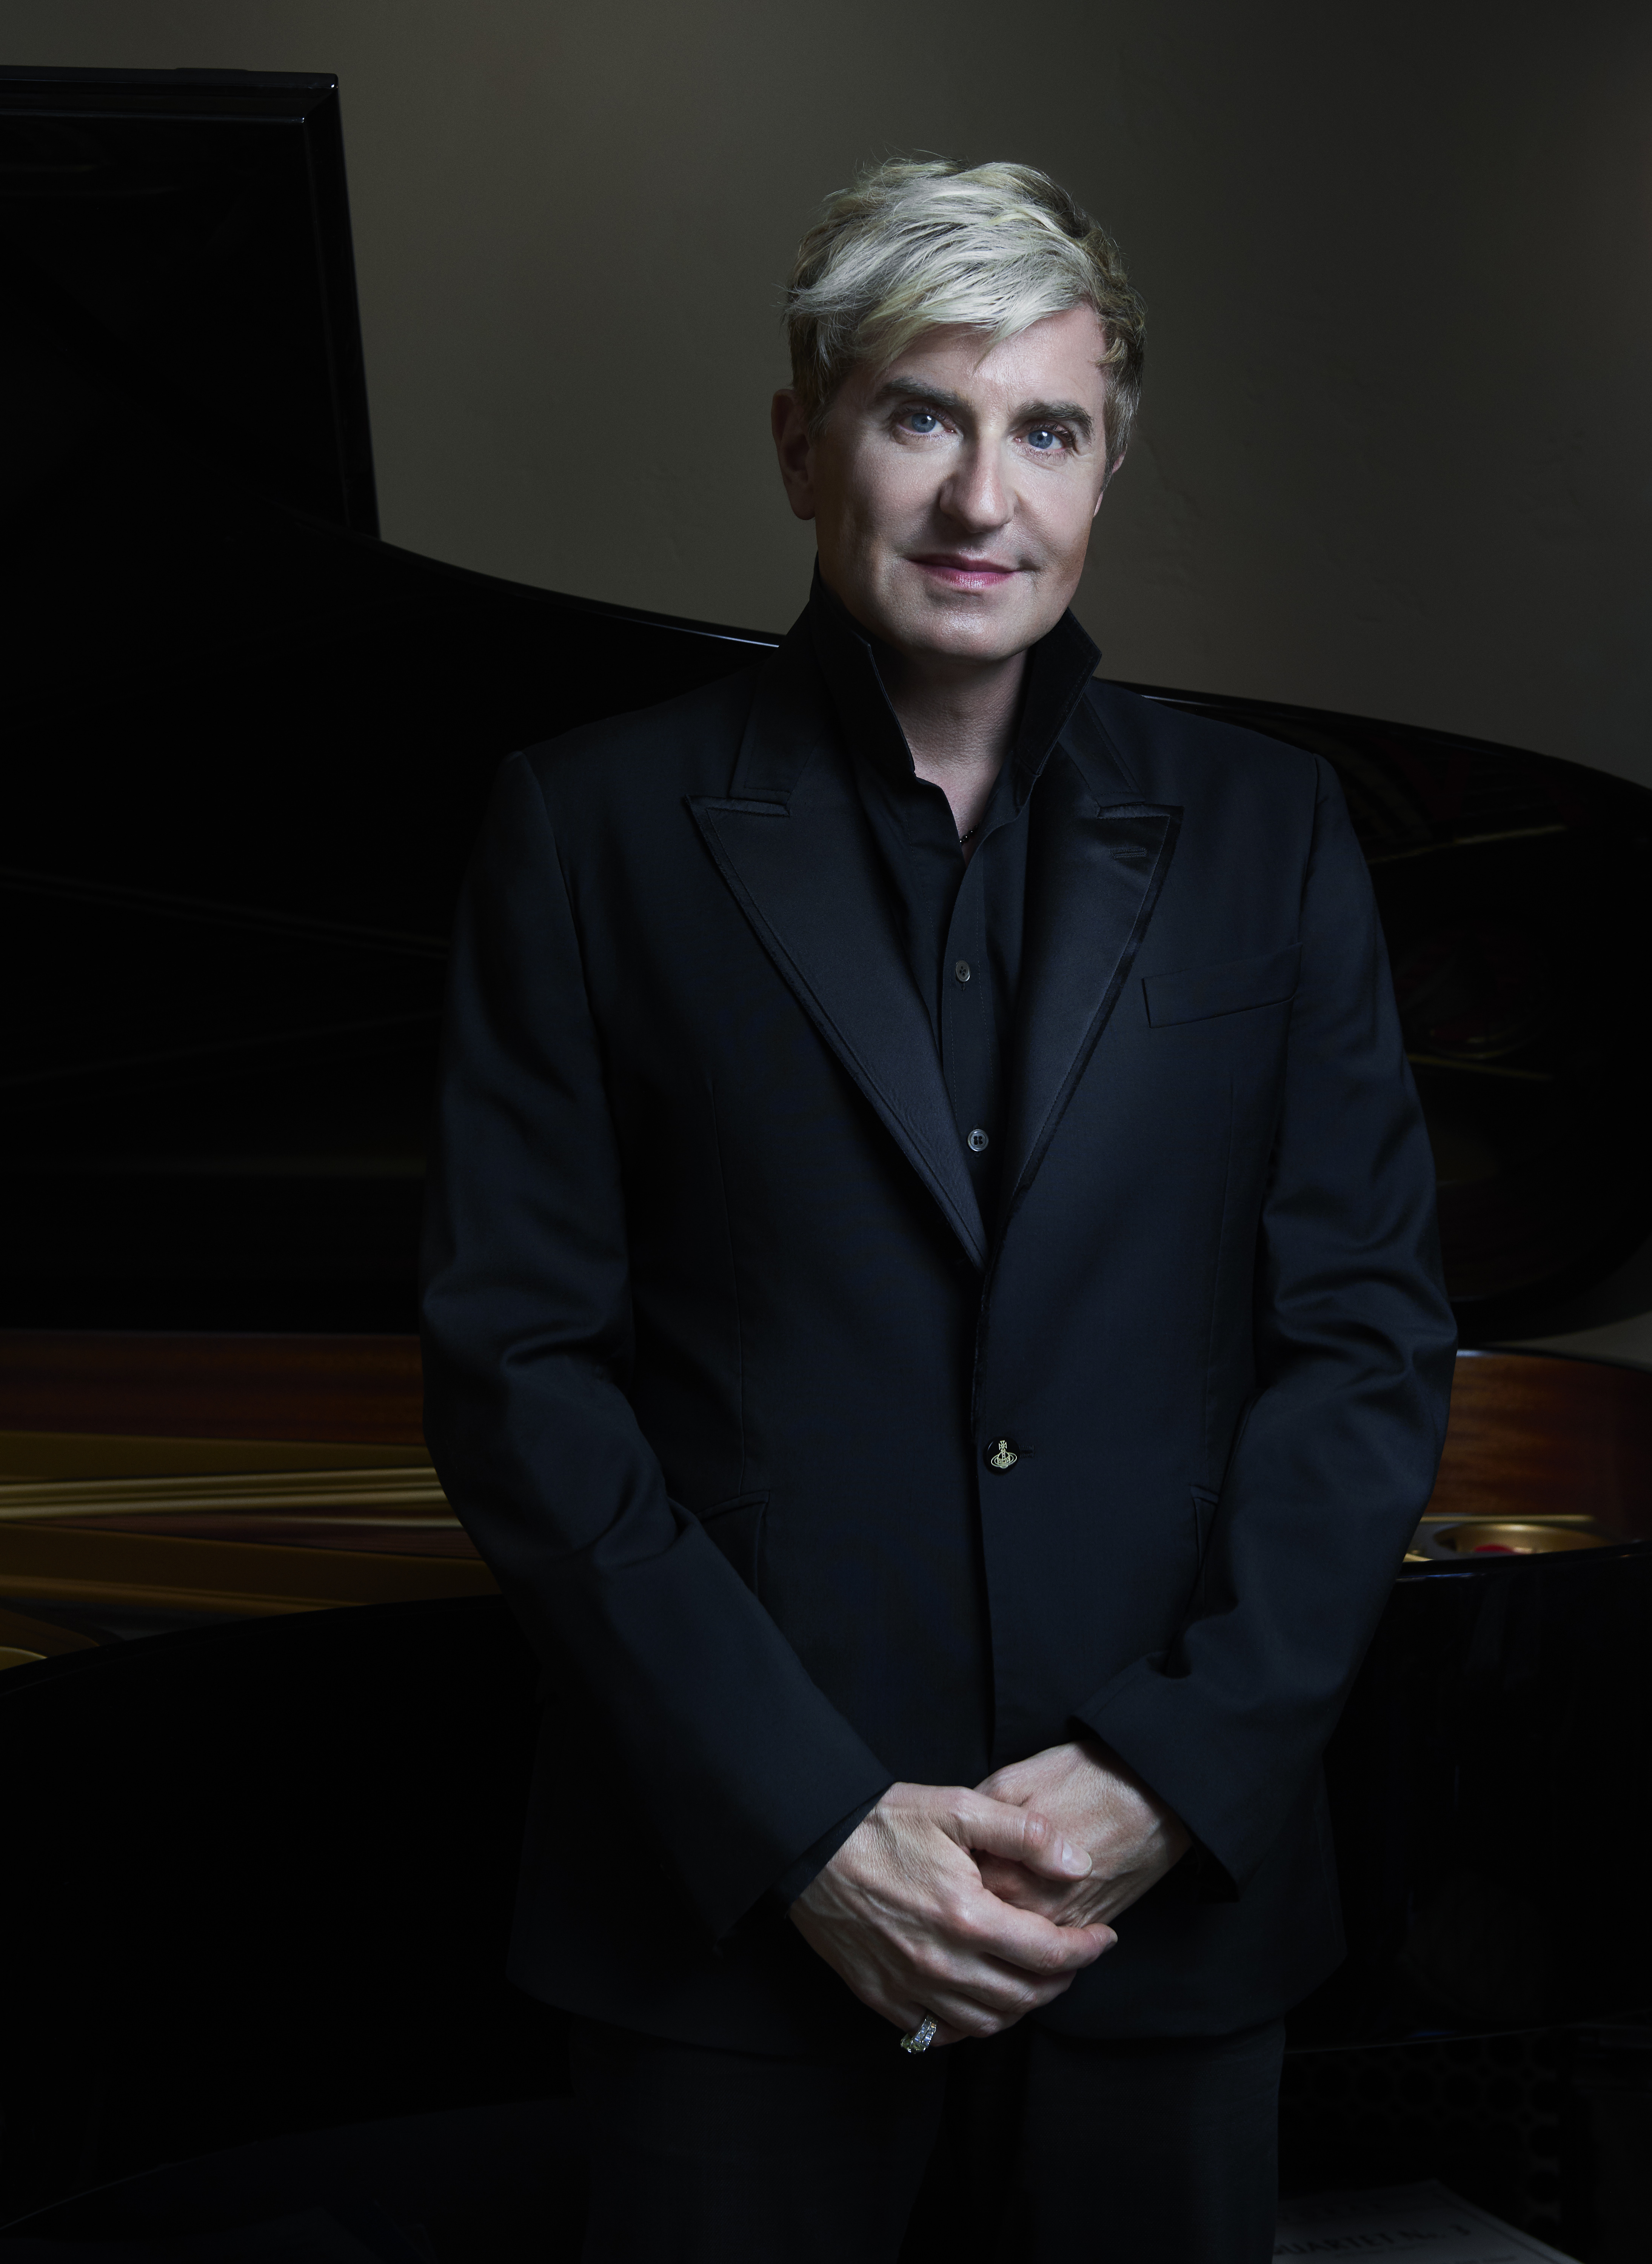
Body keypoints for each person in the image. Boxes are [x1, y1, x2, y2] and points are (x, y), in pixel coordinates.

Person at [420, 158, 1456, 2262]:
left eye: (1047, 431)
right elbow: (520, 1370)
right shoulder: (591, 830)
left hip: (1153, 1921)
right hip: (730, 1929)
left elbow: (1365, 1338)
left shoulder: (1274, 836)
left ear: (1108, 468)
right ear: (802, 442)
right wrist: (806, 1824)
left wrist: (1168, 1776)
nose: (986, 498)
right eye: (922, 416)